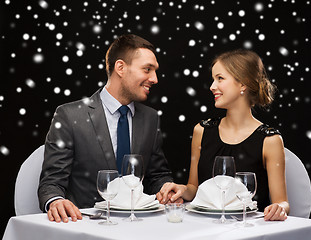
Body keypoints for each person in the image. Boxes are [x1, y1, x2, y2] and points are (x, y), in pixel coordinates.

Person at [38, 34, 179, 223]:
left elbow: (157, 175)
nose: (154, 79)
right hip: (86, 226)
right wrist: (55, 201)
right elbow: (52, 181)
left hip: (139, 225)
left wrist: (167, 189)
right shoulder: (69, 116)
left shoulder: (150, 118)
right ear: (120, 67)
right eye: (147, 69)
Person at [157, 49, 289, 221]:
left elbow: (282, 202)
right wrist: (182, 189)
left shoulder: (270, 140)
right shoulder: (202, 130)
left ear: (243, 84)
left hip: (248, 230)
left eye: (220, 78)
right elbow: (194, 187)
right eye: (213, 79)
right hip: (203, 226)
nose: (212, 86)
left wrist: (279, 208)